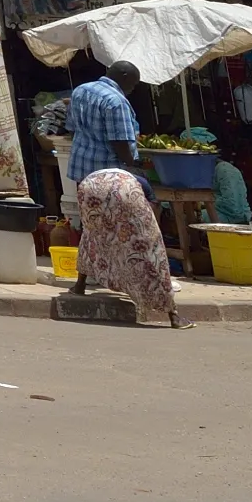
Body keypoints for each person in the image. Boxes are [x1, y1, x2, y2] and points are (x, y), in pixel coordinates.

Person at [71, 166, 183, 327]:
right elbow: (152, 211)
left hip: (89, 186)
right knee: (150, 249)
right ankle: (174, 316)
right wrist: (150, 236)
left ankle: (79, 286)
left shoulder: (107, 173)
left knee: (91, 237)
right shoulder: (141, 184)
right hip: (123, 189)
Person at [65, 61, 142, 198]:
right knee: (112, 216)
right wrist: (131, 165)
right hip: (108, 175)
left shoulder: (80, 90)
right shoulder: (116, 101)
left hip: (82, 168)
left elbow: (71, 129)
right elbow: (120, 142)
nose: (133, 88)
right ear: (124, 77)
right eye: (133, 83)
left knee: (89, 213)